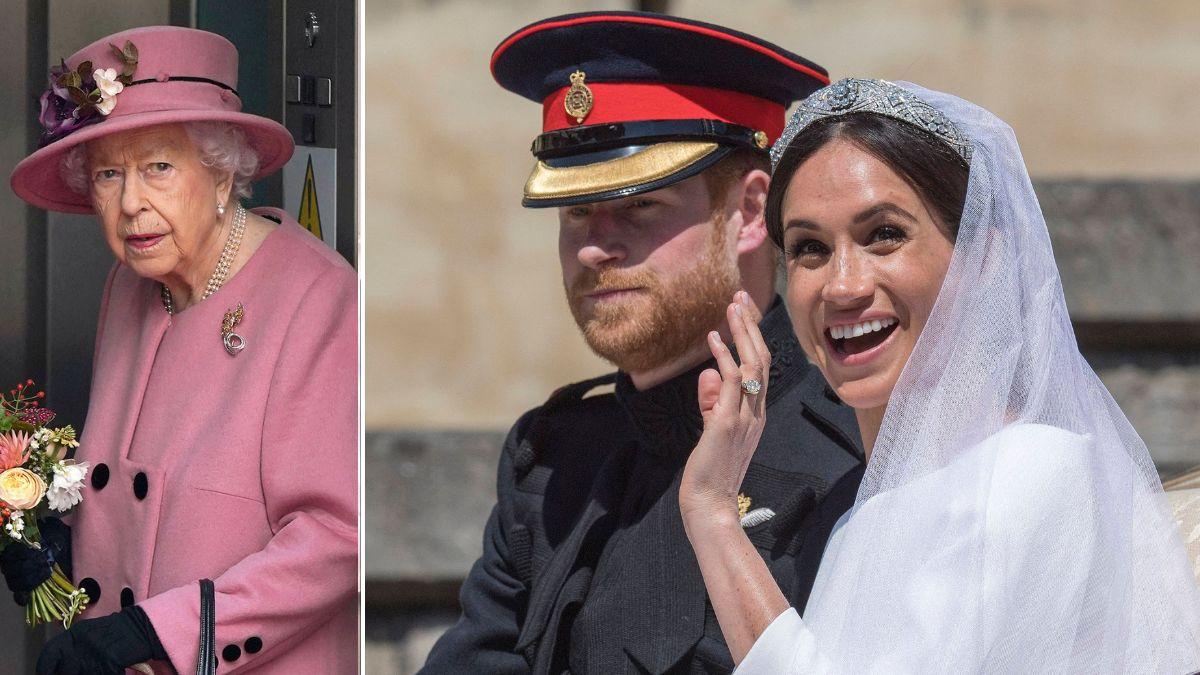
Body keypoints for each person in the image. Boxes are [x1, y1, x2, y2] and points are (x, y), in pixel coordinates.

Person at [679, 78, 1200, 672]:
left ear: (983, 257)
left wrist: (712, 512)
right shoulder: (856, 519)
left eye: (884, 236)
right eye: (810, 248)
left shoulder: (1032, 469)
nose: (842, 285)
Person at [421, 12, 864, 674]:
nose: (595, 248)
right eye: (577, 211)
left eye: (639, 206)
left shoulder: (854, 450)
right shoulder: (552, 458)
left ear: (749, 212)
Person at [1, 26, 357, 674]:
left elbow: (338, 537)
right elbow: (133, 489)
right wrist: (58, 535)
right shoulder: (131, 285)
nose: (131, 202)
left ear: (222, 173)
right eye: (109, 173)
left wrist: (155, 632)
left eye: (159, 167)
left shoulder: (317, 296)